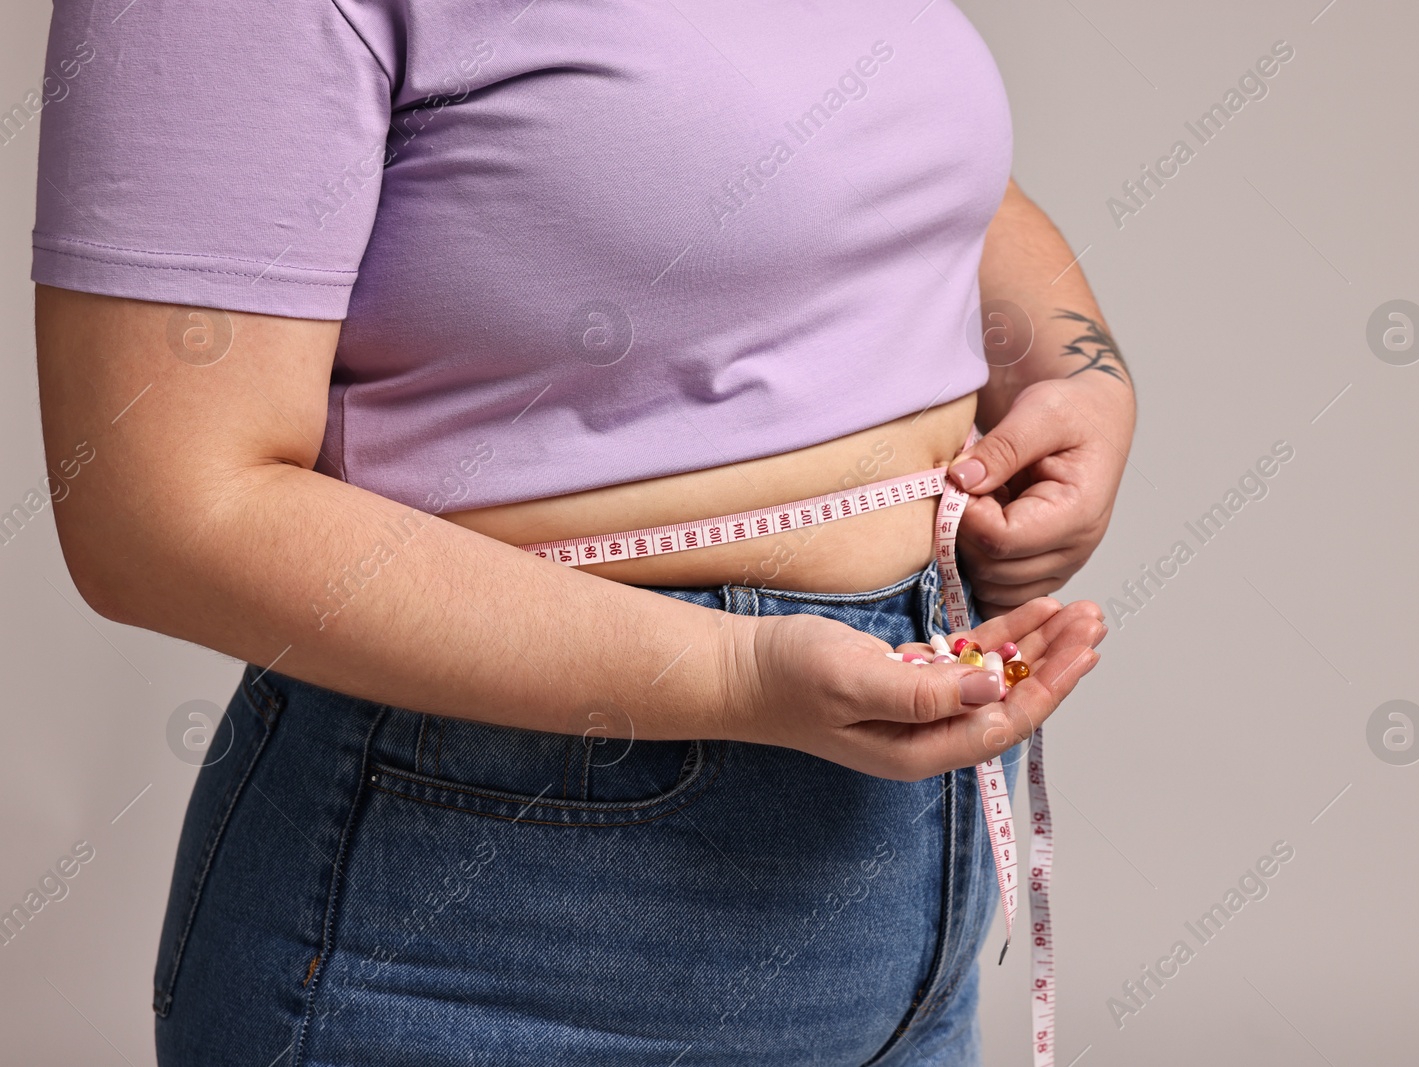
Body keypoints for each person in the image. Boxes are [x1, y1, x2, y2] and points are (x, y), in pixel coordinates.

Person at [32, 1, 1133, 1063]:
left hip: (903, 898)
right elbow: (159, 516)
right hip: (493, 919)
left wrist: (1074, 366)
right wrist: (738, 670)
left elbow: (886, 148)